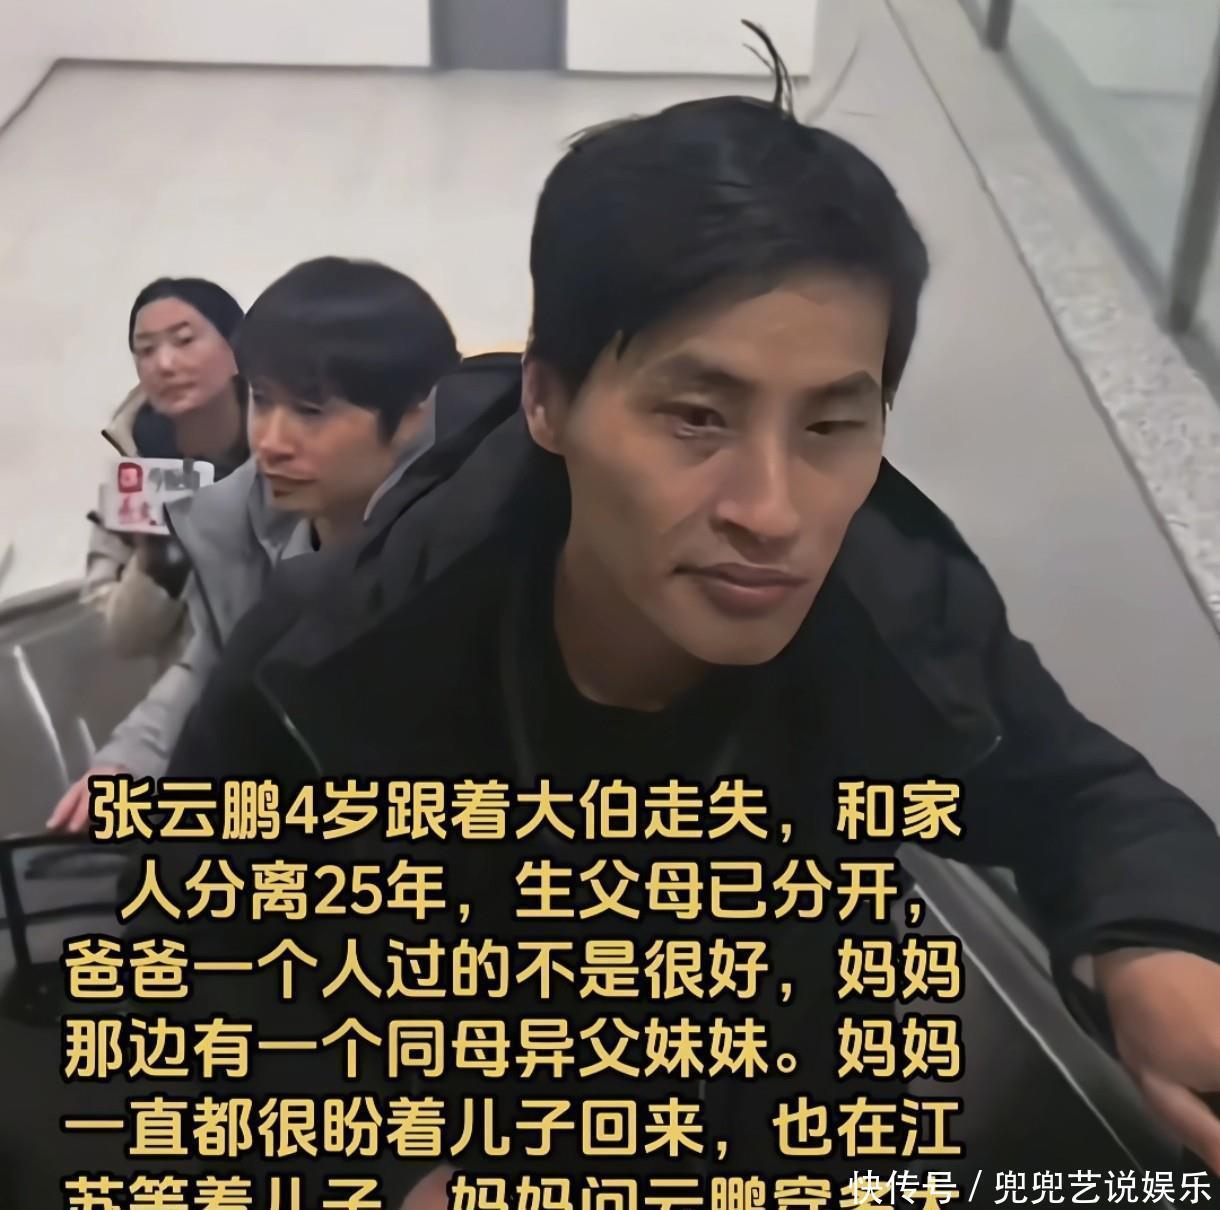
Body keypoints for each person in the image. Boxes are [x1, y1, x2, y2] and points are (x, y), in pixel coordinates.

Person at [156, 42, 1220, 1204]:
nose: (773, 513)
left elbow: (1083, 796)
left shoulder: (898, 614)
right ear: (547, 399)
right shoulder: (332, 657)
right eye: (696, 417)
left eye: (830, 426)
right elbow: (203, 954)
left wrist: (1148, 939)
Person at [48, 257, 460, 831]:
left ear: (415, 415)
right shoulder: (220, 508)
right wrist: (129, 760)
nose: (272, 441)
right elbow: (213, 659)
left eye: (310, 411)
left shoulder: (470, 541)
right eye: (264, 402)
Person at [83, 277, 248, 666]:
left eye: (184, 340)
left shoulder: (293, 443)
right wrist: (160, 564)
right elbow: (122, 639)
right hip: (200, 695)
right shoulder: (138, 476)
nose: (165, 364)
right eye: (146, 350)